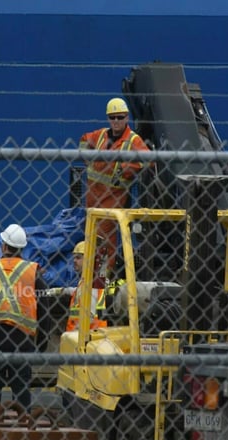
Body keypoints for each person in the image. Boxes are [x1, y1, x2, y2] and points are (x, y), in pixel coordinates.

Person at [0, 224, 50, 409]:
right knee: (21, 395)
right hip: (22, 341)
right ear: (22, 248)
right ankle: (22, 430)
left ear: (4, 246)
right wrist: (41, 344)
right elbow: (44, 311)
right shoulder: (33, 274)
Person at [79, 97, 150, 277]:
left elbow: (148, 160)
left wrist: (127, 169)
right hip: (92, 201)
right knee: (90, 243)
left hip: (112, 204)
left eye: (120, 117)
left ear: (126, 118)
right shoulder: (101, 135)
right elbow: (83, 140)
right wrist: (87, 157)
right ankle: (89, 279)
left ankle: (103, 281)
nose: (116, 121)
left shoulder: (133, 141)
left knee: (106, 246)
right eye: (112, 117)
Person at [66, 240, 125, 332]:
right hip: (81, 334)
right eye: (74, 258)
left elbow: (92, 314)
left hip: (90, 334)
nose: (74, 261)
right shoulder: (84, 281)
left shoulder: (95, 283)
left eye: (78, 258)